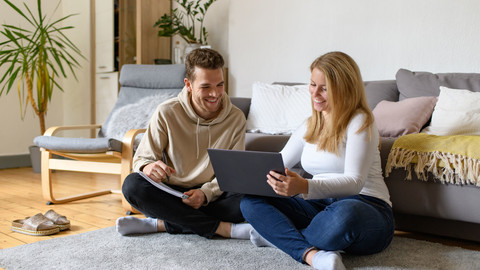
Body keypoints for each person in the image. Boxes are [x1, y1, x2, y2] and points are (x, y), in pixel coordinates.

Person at [240, 51, 394, 270]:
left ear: (345, 89)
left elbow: (355, 182)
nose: (316, 94)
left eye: (325, 88)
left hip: (366, 205)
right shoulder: (309, 124)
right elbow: (278, 163)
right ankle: (311, 255)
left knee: (343, 216)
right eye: (313, 85)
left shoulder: (361, 121)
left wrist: (304, 185)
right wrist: (247, 175)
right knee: (250, 201)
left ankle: (278, 236)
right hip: (320, 206)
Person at [117, 48, 252, 240]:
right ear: (188, 84)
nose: (215, 94)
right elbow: (142, 159)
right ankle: (223, 229)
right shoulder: (166, 112)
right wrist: (148, 167)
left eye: (220, 85)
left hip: (213, 194)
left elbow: (233, 174)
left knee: (252, 199)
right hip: (172, 194)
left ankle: (163, 224)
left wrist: (205, 194)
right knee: (132, 186)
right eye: (206, 87)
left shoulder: (236, 118)